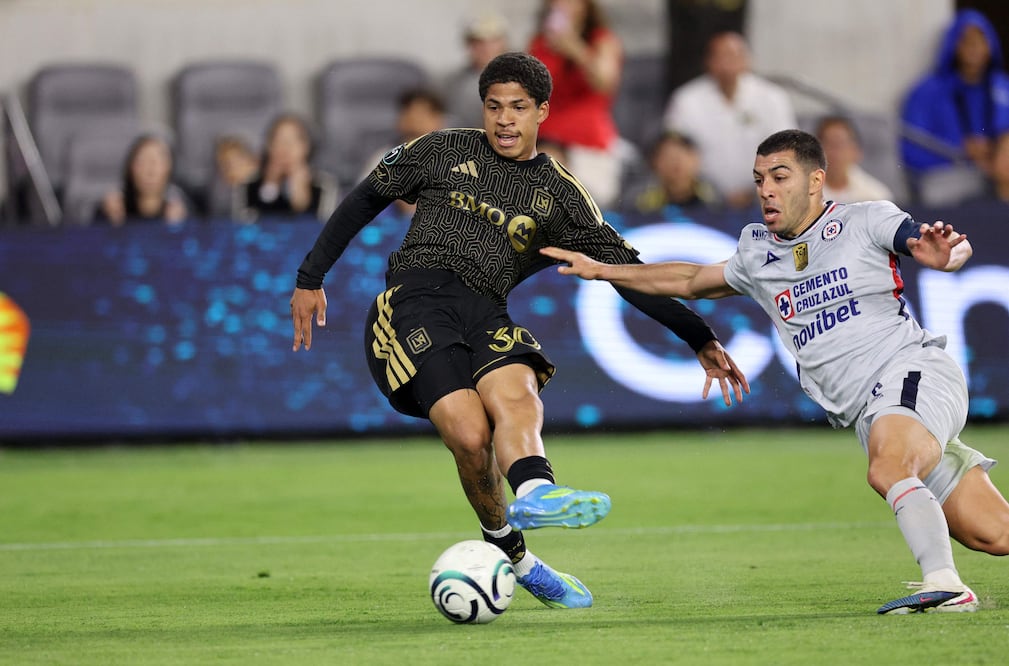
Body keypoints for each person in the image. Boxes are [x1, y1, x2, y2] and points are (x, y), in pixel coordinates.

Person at [290, 52, 748, 610]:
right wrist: (311, 277)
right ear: (482, 108)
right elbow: (366, 197)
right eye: (494, 107)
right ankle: (515, 554)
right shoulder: (441, 150)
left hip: (485, 310)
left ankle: (535, 491)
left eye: (518, 108)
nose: (504, 119)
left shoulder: (561, 195)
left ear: (542, 112)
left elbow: (625, 275)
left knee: (517, 391)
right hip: (414, 302)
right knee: (469, 437)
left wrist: (699, 338)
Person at [541, 128, 1009, 615]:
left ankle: (945, 586)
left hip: (911, 372)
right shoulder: (756, 252)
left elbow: (936, 246)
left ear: (815, 181)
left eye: (780, 176)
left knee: (889, 467)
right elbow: (689, 279)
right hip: (870, 410)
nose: (766, 188)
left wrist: (948, 256)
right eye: (759, 178)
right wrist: (603, 270)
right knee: (991, 532)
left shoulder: (868, 218)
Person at [662, 31, 796, 210]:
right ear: (708, 62)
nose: (727, 64)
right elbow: (675, 153)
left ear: (747, 60)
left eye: (734, 55)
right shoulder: (686, 100)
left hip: (764, 197)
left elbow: (787, 151)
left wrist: (757, 188)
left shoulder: (772, 98)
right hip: (701, 202)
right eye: (720, 56)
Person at [528, 0, 624, 209]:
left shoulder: (601, 40)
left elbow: (605, 82)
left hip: (588, 144)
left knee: (590, 210)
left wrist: (574, 48)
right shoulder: (539, 44)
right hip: (545, 144)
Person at [900, 9, 1009, 182]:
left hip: (997, 175)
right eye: (966, 39)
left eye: (980, 38)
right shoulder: (928, 91)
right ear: (952, 44)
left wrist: (995, 149)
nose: (973, 46)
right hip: (948, 176)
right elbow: (911, 148)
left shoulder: (1002, 87)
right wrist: (959, 150)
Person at [239, 113, 339, 223]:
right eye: (279, 140)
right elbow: (242, 226)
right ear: (269, 146)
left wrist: (301, 195)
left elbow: (326, 227)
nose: (286, 148)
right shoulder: (249, 184)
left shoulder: (324, 185)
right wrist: (270, 186)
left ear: (307, 146)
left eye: (293, 140)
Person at [95, 133, 190, 226]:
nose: (150, 171)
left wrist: (177, 229)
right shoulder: (113, 207)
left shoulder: (182, 208)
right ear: (131, 167)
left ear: (169, 168)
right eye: (142, 162)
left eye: (156, 162)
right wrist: (111, 223)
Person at [442, 13, 511, 129]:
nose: (486, 48)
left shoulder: (516, 80)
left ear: (503, 43)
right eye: (479, 42)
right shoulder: (451, 82)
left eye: (492, 41)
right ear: (468, 44)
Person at [630, 130, 720, 214]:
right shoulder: (640, 199)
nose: (676, 162)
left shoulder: (712, 195)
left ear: (696, 159)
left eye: (682, 154)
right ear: (654, 163)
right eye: (668, 156)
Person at [815, 115, 894, 204]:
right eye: (828, 144)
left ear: (856, 152)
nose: (835, 153)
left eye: (841, 144)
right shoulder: (803, 194)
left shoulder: (876, 197)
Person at [207, 135, 260, 220]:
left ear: (253, 161)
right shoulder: (225, 192)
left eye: (236, 162)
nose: (231, 170)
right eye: (224, 165)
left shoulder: (263, 186)